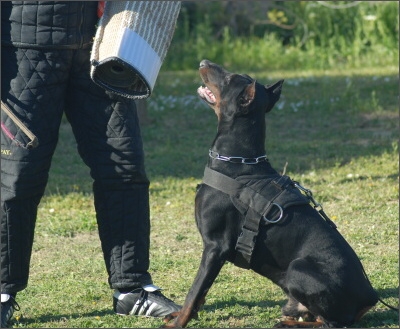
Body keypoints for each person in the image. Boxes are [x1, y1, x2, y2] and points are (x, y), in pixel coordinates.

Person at [1, 2, 180, 327]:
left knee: (124, 167)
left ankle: (131, 289)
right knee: (18, 176)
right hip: (24, 44)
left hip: (102, 42)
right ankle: (2, 293)